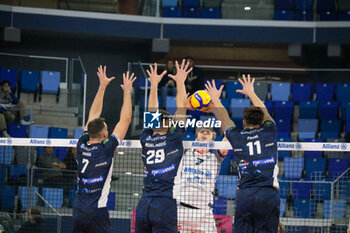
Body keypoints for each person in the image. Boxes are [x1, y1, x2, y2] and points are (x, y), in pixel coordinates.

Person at [206, 75, 280, 233]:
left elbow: (224, 118)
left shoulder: (237, 137)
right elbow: (265, 113)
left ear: (244, 123)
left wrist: (215, 100)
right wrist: (251, 93)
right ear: (262, 122)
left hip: (245, 194)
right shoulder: (270, 130)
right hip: (268, 192)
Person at [73, 66, 135, 233]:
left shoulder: (81, 143)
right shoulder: (106, 148)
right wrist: (127, 91)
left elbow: (92, 115)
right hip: (97, 210)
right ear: (105, 134)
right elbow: (126, 120)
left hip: (78, 207)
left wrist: (102, 86)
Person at [135, 60, 191, 233]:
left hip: (144, 202)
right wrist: (181, 82)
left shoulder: (146, 138)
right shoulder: (174, 137)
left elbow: (152, 111)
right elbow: (181, 108)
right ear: (169, 124)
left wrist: (153, 85)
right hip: (164, 201)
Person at [176, 126, 228, 233]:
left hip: (204, 212)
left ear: (213, 140)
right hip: (182, 210)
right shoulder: (185, 152)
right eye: (202, 132)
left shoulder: (216, 157)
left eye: (208, 133)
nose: (204, 133)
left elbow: (228, 136)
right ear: (196, 138)